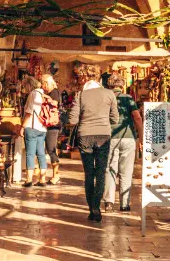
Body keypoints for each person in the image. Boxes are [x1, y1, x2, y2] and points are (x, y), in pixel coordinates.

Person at [69, 64, 119, 222]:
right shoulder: (109, 93)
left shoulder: (80, 95)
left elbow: (72, 120)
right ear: (99, 77)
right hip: (103, 135)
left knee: (89, 173)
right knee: (101, 171)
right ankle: (96, 205)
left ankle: (92, 207)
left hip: (85, 135)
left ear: (85, 77)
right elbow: (115, 119)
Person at [103, 73, 142, 212]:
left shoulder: (105, 97)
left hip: (109, 137)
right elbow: (136, 117)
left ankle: (108, 202)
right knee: (126, 171)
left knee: (109, 169)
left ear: (109, 85)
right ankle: (124, 204)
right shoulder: (128, 98)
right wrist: (141, 137)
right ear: (122, 85)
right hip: (128, 137)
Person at [20, 76, 48, 187]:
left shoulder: (33, 94)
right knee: (41, 154)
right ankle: (42, 179)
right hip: (42, 128)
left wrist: (23, 126)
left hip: (32, 127)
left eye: (25, 86)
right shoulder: (43, 94)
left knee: (30, 154)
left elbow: (29, 112)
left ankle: (29, 180)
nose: (24, 89)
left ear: (29, 85)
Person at [41, 74, 63, 185]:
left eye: (44, 83)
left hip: (53, 125)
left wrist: (46, 98)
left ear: (48, 83)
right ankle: (55, 174)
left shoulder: (54, 92)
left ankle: (56, 175)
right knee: (51, 148)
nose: (42, 86)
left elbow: (55, 103)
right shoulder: (50, 92)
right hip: (50, 125)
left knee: (51, 149)